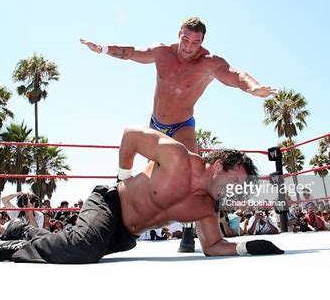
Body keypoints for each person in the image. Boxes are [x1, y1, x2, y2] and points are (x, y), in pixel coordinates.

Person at [80, 17, 276, 252]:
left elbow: (234, 75)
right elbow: (132, 52)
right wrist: (102, 49)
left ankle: (188, 233)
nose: (189, 47)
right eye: (185, 39)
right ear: (178, 35)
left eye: (195, 42)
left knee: (193, 174)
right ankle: (120, 196)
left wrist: (252, 88)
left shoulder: (208, 63)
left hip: (182, 126)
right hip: (156, 124)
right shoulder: (162, 53)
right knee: (153, 179)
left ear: (202, 42)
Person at [0, 127, 284, 263]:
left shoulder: (206, 206)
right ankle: (12, 246)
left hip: (125, 235)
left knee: (79, 247)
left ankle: (24, 229)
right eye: (233, 180)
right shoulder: (177, 157)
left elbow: (213, 245)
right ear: (218, 166)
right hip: (109, 202)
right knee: (83, 248)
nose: (233, 191)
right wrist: (122, 176)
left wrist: (246, 247)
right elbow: (131, 135)